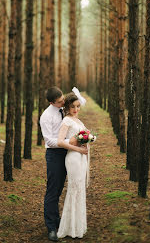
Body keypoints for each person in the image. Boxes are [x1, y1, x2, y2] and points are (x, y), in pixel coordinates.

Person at [40, 86, 87, 242]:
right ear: (53, 102)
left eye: (63, 99)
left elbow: (78, 103)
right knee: (53, 190)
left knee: (68, 187)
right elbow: (49, 141)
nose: (63, 103)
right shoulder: (46, 117)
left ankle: (65, 221)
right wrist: (70, 141)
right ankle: (52, 227)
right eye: (60, 102)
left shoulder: (64, 110)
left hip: (70, 153)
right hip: (55, 155)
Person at [57, 88, 89, 239]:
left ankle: (77, 226)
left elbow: (81, 137)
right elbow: (60, 142)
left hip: (81, 157)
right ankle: (69, 227)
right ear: (67, 107)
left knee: (80, 189)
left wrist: (88, 140)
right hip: (73, 158)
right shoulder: (66, 120)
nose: (76, 109)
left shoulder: (78, 121)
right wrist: (77, 148)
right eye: (73, 107)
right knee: (74, 189)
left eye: (78, 106)